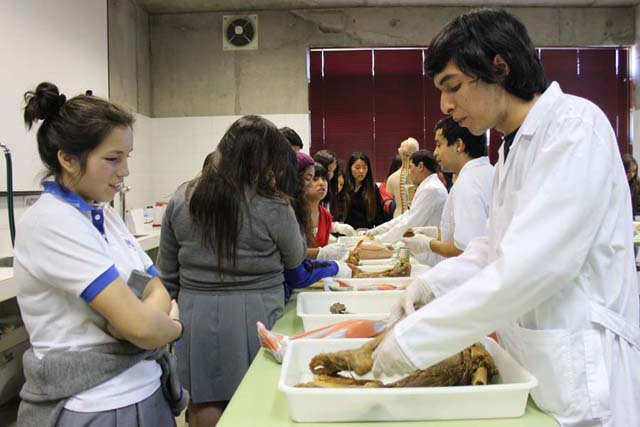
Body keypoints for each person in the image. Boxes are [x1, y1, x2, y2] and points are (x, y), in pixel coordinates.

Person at [371, 9, 640, 427]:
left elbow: (533, 264)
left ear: (499, 66)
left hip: (587, 371)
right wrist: (431, 286)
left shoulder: (574, 127)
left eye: (453, 86)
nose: (445, 104)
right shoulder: (510, 149)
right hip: (539, 368)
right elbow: (495, 250)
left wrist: (415, 340)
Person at [14, 82, 184, 426]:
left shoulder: (103, 214)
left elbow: (157, 290)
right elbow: (141, 326)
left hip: (147, 387)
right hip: (97, 404)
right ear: (67, 159)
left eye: (127, 157)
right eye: (112, 159)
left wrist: (143, 323)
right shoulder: (52, 221)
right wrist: (174, 326)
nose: (124, 171)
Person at [157, 116, 305, 427]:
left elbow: (166, 273)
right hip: (259, 313)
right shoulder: (273, 205)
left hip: (196, 314)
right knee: (258, 400)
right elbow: (295, 258)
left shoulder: (183, 198)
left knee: (204, 399)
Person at [401, 117, 494, 258]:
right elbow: (472, 232)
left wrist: (429, 244)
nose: (435, 152)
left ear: (458, 145)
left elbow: (466, 249)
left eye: (439, 145)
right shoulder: (486, 172)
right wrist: (437, 233)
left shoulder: (468, 183)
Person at [367, 150, 447, 266]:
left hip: (428, 255)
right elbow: (407, 216)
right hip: (419, 247)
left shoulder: (431, 189)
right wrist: (377, 231)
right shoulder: (427, 187)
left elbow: (410, 222)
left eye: (410, 167)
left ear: (420, 166)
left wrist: (380, 239)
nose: (409, 172)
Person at [343, 152, 386, 230]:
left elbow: (379, 216)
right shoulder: (343, 186)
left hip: (366, 232)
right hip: (346, 232)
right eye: (357, 168)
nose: (361, 171)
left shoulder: (373, 188)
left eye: (364, 168)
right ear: (350, 168)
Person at [386, 138, 420, 218]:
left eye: (411, 154)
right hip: (398, 219)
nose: (408, 157)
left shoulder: (423, 178)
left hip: (417, 220)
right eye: (405, 154)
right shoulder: (392, 179)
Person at [622, 153, 640, 218]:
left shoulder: (637, 183)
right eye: (629, 171)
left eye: (634, 171)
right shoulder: (617, 183)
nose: (632, 175)